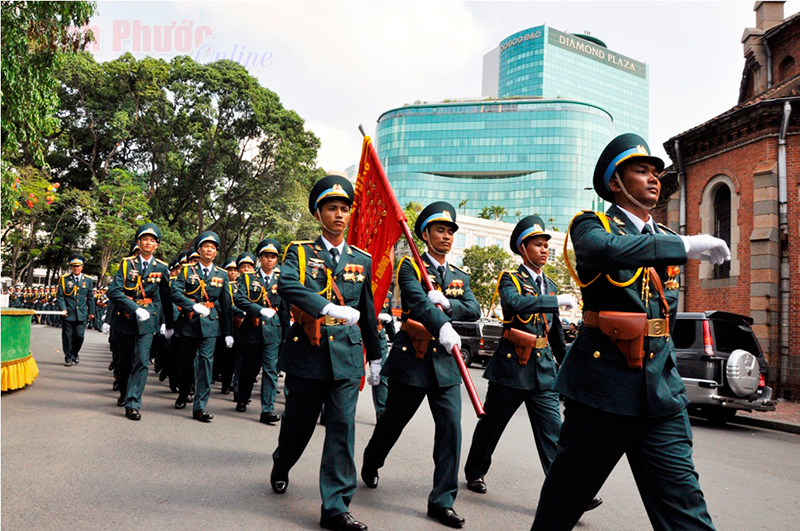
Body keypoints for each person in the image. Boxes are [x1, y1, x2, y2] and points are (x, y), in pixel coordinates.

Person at [530, 133, 730, 530]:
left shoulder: (668, 240)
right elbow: (608, 251)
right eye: (642, 171)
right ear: (616, 183)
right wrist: (686, 245)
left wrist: (678, 243)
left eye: (657, 172)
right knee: (563, 504)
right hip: (603, 392)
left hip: (660, 392)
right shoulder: (593, 225)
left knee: (685, 509)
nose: (654, 178)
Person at [462, 216, 602, 509]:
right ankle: (475, 471)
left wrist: (568, 368)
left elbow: (556, 334)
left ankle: (571, 490)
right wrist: (554, 301)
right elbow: (515, 305)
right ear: (522, 249)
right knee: (492, 425)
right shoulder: (510, 279)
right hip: (512, 367)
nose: (544, 250)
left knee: (554, 432)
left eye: (545, 245)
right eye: (537, 245)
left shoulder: (549, 284)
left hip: (543, 371)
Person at [270, 175, 382, 531]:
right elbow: (287, 285)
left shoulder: (361, 259)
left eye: (344, 209)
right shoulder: (300, 252)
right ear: (318, 213)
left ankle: (335, 507)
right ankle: (282, 461)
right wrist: (327, 308)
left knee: (342, 428)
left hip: (347, 358)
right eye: (331, 208)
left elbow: (367, 310)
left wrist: (376, 356)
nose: (339, 214)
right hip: (310, 353)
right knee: (298, 425)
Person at [361, 201, 480, 529]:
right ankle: (372, 461)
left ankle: (442, 500)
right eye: (440, 230)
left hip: (445, 364)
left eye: (451, 231)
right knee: (392, 422)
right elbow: (415, 300)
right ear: (425, 234)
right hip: (413, 358)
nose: (447, 236)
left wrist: (449, 304)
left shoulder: (458, 276)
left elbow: (473, 308)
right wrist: (440, 323)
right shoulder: (411, 266)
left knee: (450, 430)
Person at [106, 224, 174, 421]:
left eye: (152, 240)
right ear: (138, 242)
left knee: (142, 361)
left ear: (156, 245)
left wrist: (166, 323)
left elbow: (165, 297)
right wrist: (134, 308)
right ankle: (125, 392)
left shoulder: (161, 267)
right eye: (145, 239)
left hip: (148, 322)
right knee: (124, 362)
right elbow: (114, 292)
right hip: (126, 319)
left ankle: (134, 402)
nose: (148, 243)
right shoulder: (126, 264)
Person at [171, 231, 233, 422]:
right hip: (188, 323)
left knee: (206, 364)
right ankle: (183, 393)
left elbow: (226, 305)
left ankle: (200, 407)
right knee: (186, 362)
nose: (209, 250)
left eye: (213, 247)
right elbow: (175, 292)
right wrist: (193, 305)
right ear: (199, 249)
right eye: (206, 246)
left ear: (216, 252)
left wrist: (228, 332)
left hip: (211, 325)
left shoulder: (221, 274)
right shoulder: (188, 270)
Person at [233, 238, 290, 423]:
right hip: (252, 331)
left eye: (273, 256)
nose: (270, 260)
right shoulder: (248, 278)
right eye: (266, 256)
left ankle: (267, 410)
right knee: (249, 369)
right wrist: (258, 310)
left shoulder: (282, 280)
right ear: (260, 258)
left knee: (271, 370)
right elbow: (239, 299)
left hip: (273, 332)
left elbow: (285, 308)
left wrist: (286, 333)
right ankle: (242, 398)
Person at [56, 254, 96, 366]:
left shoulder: (87, 280)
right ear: (71, 267)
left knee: (79, 336)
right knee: (67, 337)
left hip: (82, 313)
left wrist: (92, 312)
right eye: (73, 266)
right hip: (68, 313)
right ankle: (68, 357)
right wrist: (63, 308)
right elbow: (60, 296)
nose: (76, 268)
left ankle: (75, 353)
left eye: (78, 266)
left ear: (82, 267)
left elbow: (91, 297)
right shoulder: (64, 279)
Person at [371, 291, 395, 421]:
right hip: (356, 335)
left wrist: (395, 341)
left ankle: (382, 416)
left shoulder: (387, 292)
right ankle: (328, 412)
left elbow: (390, 321)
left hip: (378, 338)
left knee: (380, 376)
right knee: (346, 376)